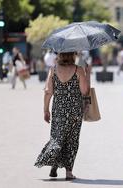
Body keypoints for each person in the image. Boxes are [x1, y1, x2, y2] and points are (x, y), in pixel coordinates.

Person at [34, 52, 91, 180]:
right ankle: (69, 172)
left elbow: (48, 92)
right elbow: (84, 91)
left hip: (58, 110)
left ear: (59, 55)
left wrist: (45, 110)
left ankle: (54, 164)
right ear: (73, 55)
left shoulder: (53, 70)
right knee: (72, 139)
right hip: (75, 110)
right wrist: (87, 74)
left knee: (57, 137)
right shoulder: (78, 69)